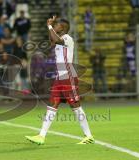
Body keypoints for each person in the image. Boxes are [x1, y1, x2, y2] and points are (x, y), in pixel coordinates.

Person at [25, 16, 94, 145]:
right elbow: (52, 39)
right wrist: (49, 26)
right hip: (59, 78)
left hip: (68, 77)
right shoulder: (58, 39)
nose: (55, 26)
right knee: (52, 105)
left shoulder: (68, 39)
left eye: (57, 25)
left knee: (76, 107)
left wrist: (50, 27)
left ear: (62, 28)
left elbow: (55, 39)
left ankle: (88, 136)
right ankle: (41, 136)